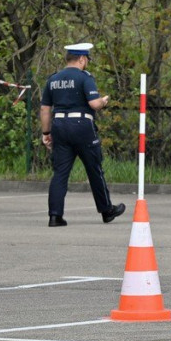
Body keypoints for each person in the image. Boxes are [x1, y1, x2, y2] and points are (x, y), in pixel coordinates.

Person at [39, 42, 126, 227]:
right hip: (82, 127)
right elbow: (94, 104)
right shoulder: (84, 77)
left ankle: (55, 216)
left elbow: (45, 109)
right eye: (86, 59)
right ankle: (106, 210)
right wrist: (103, 101)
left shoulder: (53, 79)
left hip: (59, 125)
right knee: (94, 169)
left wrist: (46, 132)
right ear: (81, 59)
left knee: (60, 173)